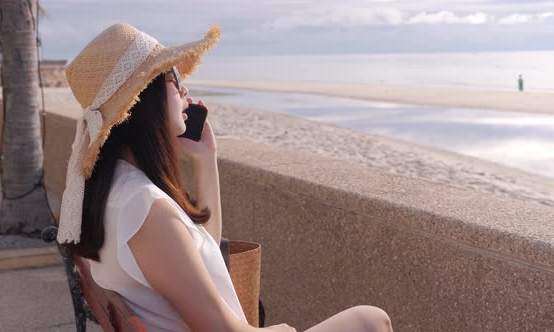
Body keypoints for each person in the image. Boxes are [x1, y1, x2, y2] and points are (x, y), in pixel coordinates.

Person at [57, 23, 393, 332]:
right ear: (144, 100)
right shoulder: (144, 208)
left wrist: (205, 159)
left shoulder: (113, 188)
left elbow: (202, 251)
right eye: (173, 76)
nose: (184, 89)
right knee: (371, 319)